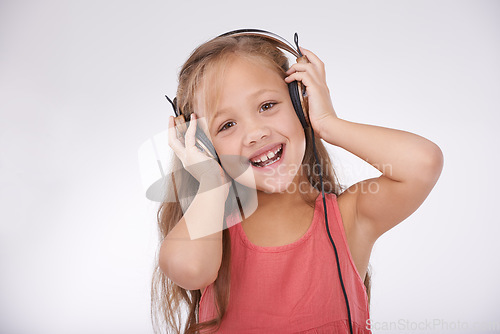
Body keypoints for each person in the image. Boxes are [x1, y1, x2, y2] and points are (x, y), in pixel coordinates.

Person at [151, 32, 444, 334]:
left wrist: (328, 123)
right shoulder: (212, 236)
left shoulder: (348, 218)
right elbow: (191, 269)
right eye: (227, 125)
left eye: (267, 106)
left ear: (300, 102)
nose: (255, 133)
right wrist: (210, 178)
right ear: (201, 145)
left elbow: (423, 164)